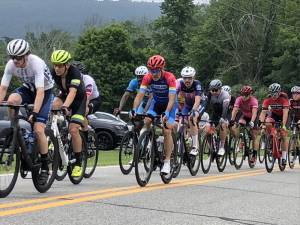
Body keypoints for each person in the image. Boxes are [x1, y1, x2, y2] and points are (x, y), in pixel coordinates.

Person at [0, 39, 54, 184]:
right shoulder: (11, 65)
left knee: (38, 129)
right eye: (12, 57)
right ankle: (15, 129)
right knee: (12, 100)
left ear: (26, 55)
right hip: (28, 89)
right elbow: (3, 88)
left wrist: (35, 113)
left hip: (45, 91)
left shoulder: (36, 63)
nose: (15, 60)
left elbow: (40, 92)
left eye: (18, 57)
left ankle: (44, 165)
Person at [132, 55, 177, 174]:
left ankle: (167, 162)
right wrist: (134, 109)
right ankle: (146, 142)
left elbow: (172, 99)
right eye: (152, 70)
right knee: (146, 121)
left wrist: (167, 112)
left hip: (170, 105)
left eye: (157, 70)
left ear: (162, 68)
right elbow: (139, 95)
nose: (154, 73)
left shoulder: (170, 77)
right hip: (156, 104)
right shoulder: (148, 77)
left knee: (167, 130)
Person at [50, 50, 86, 177]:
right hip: (64, 95)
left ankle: (78, 162)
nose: (57, 68)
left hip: (78, 100)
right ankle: (56, 134)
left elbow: (73, 92)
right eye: (55, 65)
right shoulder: (53, 71)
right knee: (53, 105)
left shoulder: (74, 72)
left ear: (67, 65)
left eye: (60, 65)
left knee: (74, 129)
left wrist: (65, 106)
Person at [176, 66, 204, 156]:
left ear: (193, 78)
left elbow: (197, 100)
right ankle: (182, 142)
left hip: (199, 104)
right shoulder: (180, 84)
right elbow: (174, 97)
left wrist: (193, 111)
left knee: (192, 118)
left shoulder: (197, 84)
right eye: (185, 78)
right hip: (187, 105)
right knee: (181, 121)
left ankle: (195, 147)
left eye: (189, 78)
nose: (187, 80)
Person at [259, 83, 289, 165]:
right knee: (267, 123)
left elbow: (285, 113)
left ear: (279, 93)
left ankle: (283, 156)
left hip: (283, 115)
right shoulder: (268, 99)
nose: (273, 95)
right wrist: (262, 123)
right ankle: (270, 139)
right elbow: (263, 112)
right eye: (272, 93)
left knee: (283, 135)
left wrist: (283, 125)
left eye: (275, 94)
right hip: (274, 115)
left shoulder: (284, 99)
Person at [230, 85, 259, 162]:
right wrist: (232, 120)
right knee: (238, 124)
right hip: (245, 116)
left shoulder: (254, 101)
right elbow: (235, 110)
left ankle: (254, 155)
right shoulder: (239, 99)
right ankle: (241, 140)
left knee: (254, 135)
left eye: (246, 95)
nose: (244, 96)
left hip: (253, 117)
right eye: (243, 94)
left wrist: (252, 122)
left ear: (250, 94)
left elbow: (254, 113)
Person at [206, 79, 230, 155]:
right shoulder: (210, 94)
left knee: (223, 125)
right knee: (207, 128)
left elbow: (225, 108)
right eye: (212, 90)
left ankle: (222, 147)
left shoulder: (225, 95)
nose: (214, 92)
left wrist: (223, 118)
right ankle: (212, 148)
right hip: (215, 112)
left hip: (225, 112)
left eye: (216, 90)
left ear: (220, 89)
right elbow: (206, 106)